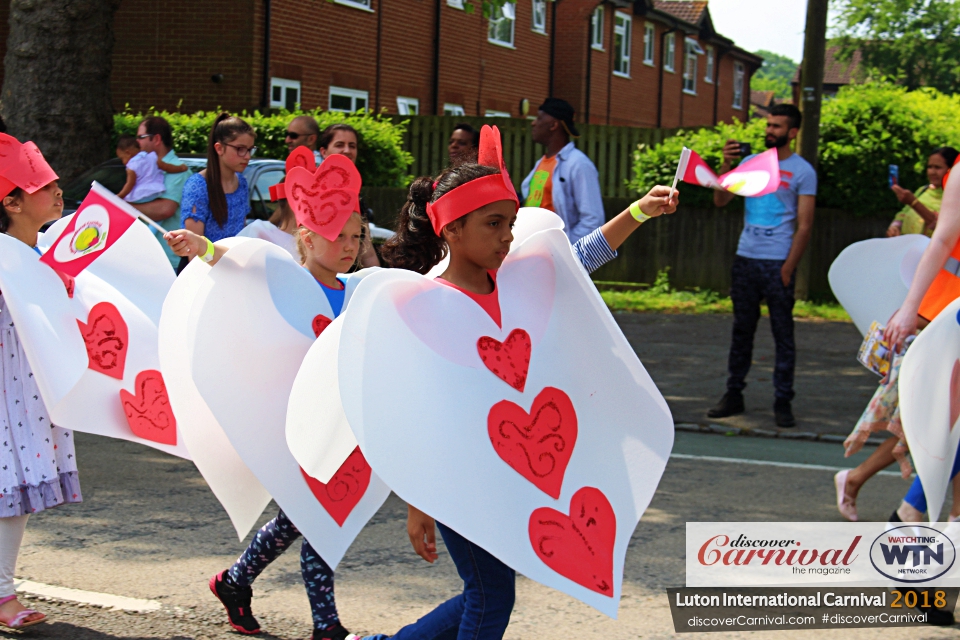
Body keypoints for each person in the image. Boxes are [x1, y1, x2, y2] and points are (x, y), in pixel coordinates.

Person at [367, 126, 677, 640]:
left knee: (486, 594)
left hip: (513, 469)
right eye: (494, 224)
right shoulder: (417, 304)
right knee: (491, 598)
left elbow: (584, 257)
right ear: (451, 229)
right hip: (459, 477)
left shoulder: (519, 278)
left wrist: (641, 210)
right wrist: (419, 501)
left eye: (510, 222)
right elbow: (417, 413)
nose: (508, 236)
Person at [164, 155, 366, 640]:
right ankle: (326, 626)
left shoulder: (359, 289)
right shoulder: (289, 278)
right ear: (307, 238)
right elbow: (241, 263)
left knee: (300, 517)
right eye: (339, 235)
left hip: (341, 426)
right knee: (318, 517)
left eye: (358, 236)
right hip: (296, 424)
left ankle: (234, 581)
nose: (350, 246)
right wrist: (202, 247)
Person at [0, 139, 82, 629]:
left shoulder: (48, 249)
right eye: (43, 186)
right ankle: (3, 596)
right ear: (11, 202)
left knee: (17, 493)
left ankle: (3, 592)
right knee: (9, 488)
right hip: (7, 391)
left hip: (30, 390)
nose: (57, 192)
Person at [707, 104, 817, 428]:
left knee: (783, 334)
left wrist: (788, 268)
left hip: (777, 262)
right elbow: (720, 200)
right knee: (742, 331)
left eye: (777, 126)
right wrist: (726, 165)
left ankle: (783, 401)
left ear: (792, 133)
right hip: (746, 258)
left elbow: (806, 225)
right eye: (768, 125)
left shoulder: (802, 171)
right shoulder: (749, 163)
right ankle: (733, 394)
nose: (770, 131)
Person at [520, 98, 604, 244]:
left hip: (555, 257)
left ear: (553, 125)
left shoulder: (578, 164)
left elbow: (592, 220)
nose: (533, 123)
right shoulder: (542, 163)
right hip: (531, 252)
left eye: (539, 118)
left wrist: (567, 252)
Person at [179, 113, 255, 272]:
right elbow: (192, 251)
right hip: (201, 273)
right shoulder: (198, 185)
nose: (247, 156)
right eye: (240, 149)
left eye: (250, 149)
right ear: (219, 148)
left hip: (232, 269)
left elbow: (242, 231)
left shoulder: (241, 182)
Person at [132, 116, 191, 270]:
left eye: (141, 137)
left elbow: (165, 209)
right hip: (146, 259)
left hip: (168, 261)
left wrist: (124, 206)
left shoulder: (178, 170)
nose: (137, 142)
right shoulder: (144, 169)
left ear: (156, 139)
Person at [318, 124, 380, 268]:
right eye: (339, 145)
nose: (347, 150)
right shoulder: (311, 192)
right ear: (324, 151)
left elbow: (367, 251)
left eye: (352, 146)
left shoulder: (355, 195)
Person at [887, 147, 959, 238]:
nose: (932, 172)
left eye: (938, 167)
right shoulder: (923, 190)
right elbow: (903, 213)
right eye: (929, 167)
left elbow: (944, 229)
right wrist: (895, 227)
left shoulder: (955, 197)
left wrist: (913, 203)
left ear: (952, 170)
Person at [115, 134, 186, 203]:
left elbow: (130, 184)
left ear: (128, 153)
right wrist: (181, 168)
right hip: (156, 191)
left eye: (122, 158)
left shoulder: (131, 167)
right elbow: (168, 167)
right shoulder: (152, 157)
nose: (123, 162)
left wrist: (120, 196)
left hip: (139, 195)